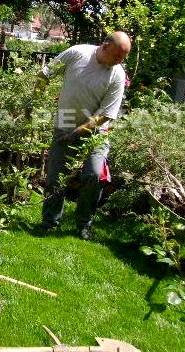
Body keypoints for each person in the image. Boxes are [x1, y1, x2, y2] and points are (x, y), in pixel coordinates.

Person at [37, 31, 132, 240]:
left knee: (94, 175)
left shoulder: (117, 74)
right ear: (105, 46)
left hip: (96, 130)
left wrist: (76, 133)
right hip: (65, 120)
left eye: (123, 58)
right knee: (55, 177)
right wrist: (35, 100)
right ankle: (50, 222)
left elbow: (105, 115)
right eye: (118, 56)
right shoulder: (77, 53)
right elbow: (46, 73)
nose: (120, 61)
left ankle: (84, 224)